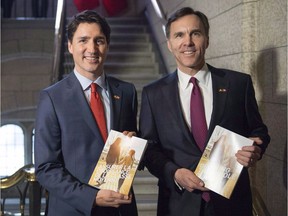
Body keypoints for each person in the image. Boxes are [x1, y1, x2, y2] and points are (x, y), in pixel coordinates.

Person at [139, 7, 270, 216]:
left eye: (195, 34)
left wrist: (256, 150)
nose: (188, 42)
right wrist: (175, 173)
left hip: (232, 204)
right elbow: (149, 149)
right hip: (178, 206)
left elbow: (259, 131)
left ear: (207, 40)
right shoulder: (152, 94)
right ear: (170, 44)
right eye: (179, 35)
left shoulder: (238, 84)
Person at [34, 10, 138, 216]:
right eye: (83, 40)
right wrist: (92, 198)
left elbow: (133, 147)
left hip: (120, 209)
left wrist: (135, 144)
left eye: (99, 40)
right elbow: (46, 168)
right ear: (70, 46)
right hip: (73, 210)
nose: (92, 48)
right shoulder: (52, 98)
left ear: (107, 45)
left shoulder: (126, 91)